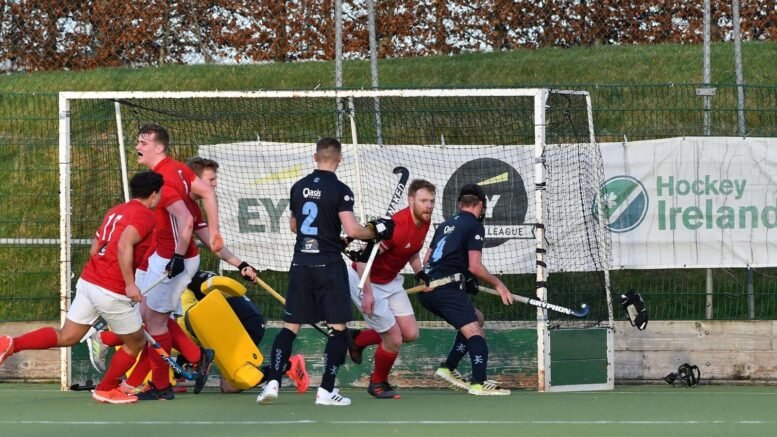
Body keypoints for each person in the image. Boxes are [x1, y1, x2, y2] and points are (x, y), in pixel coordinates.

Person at [0, 171, 164, 404]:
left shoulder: (116, 210)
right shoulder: (146, 216)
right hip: (111, 289)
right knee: (136, 342)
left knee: (67, 335)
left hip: (89, 281)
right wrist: (129, 284)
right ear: (154, 194)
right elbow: (124, 245)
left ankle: (11, 344)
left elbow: (95, 247)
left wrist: (103, 270)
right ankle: (106, 389)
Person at [256, 136, 394, 406]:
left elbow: (295, 226)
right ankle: (326, 390)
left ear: (315, 157)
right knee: (338, 329)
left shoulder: (298, 187)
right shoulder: (341, 190)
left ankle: (272, 382)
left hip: (301, 264)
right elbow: (353, 229)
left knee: (289, 328)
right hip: (329, 266)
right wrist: (376, 231)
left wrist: (331, 237)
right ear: (340, 159)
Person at [133, 124, 223, 400]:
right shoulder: (178, 168)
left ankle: (161, 386)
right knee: (147, 315)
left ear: (159, 147)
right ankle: (197, 356)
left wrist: (177, 257)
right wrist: (215, 232)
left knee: (155, 324)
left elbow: (185, 220)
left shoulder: (166, 179)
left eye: (143, 143)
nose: (137, 147)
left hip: (172, 259)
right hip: (162, 255)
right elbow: (207, 193)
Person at [418, 183, 513, 396]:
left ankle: (448, 368)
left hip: (429, 289)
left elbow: (427, 260)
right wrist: (498, 284)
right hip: (445, 289)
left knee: (477, 318)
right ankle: (479, 383)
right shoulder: (474, 225)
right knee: (475, 332)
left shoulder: (444, 225)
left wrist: (465, 278)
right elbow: (475, 266)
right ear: (481, 206)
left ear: (460, 204)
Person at [346, 179, 436, 399]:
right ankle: (377, 383)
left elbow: (412, 250)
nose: (429, 206)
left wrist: (420, 272)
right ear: (411, 200)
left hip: (390, 280)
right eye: (424, 201)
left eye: (432, 201)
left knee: (410, 334)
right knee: (394, 339)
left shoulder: (424, 221)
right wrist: (367, 294)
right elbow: (362, 261)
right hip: (365, 280)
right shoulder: (396, 227)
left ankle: (358, 340)